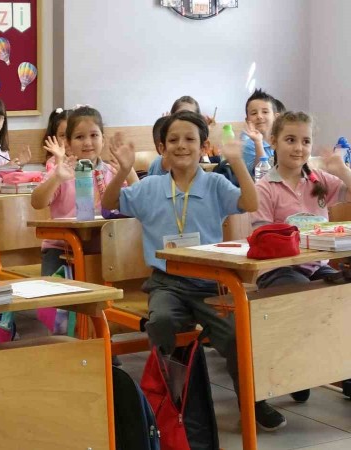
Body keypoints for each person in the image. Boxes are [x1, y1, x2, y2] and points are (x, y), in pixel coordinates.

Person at [102, 110, 287, 431]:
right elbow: (109, 203)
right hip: (166, 283)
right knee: (161, 322)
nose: (181, 145)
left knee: (237, 333)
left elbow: (250, 202)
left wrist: (236, 162)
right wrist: (123, 170)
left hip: (211, 281)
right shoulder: (150, 187)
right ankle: (170, 402)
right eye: (173, 139)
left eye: (190, 139)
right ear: (162, 148)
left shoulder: (214, 183)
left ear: (203, 147)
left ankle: (252, 402)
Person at [251, 111, 351, 403]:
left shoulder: (318, 180)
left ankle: (342, 369)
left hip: (316, 267)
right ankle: (299, 370)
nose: (299, 148)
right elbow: (264, 241)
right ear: (273, 142)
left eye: (305, 141)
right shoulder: (264, 188)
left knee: (342, 293)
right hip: (277, 271)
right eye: (290, 140)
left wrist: (343, 170)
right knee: (305, 295)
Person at [31, 106, 138, 276]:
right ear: (68, 143)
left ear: (103, 139)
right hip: (62, 248)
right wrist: (57, 178)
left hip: (104, 248)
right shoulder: (62, 171)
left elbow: (138, 201)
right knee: (55, 292)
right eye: (79, 137)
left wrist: (128, 170)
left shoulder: (112, 171)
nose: (87, 143)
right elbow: (37, 202)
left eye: (94, 135)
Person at [241, 89, 279, 173]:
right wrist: (258, 142)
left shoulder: (282, 141)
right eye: (254, 113)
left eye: (265, 112)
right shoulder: (248, 145)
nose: (259, 116)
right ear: (247, 120)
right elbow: (260, 175)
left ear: (276, 117)